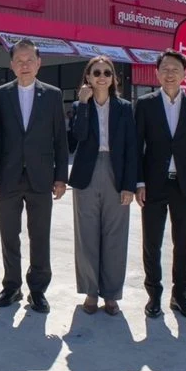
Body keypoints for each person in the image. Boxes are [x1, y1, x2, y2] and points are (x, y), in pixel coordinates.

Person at [0, 39, 68, 314]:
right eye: (19, 61)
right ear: (12, 65)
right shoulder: (0, 95)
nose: (24, 65)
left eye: (29, 60)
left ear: (38, 63)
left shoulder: (52, 95)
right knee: (9, 235)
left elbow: (60, 139)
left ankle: (38, 290)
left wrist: (61, 177)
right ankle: (12, 286)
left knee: (40, 235)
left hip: (41, 177)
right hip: (7, 176)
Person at [134, 49, 186, 320]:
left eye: (175, 69)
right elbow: (136, 146)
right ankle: (154, 295)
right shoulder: (145, 104)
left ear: (185, 74)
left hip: (185, 186)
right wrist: (138, 182)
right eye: (165, 69)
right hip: (153, 184)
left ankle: (180, 296)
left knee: (183, 242)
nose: (169, 74)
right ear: (156, 73)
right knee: (151, 243)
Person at [68, 56, 137, 316]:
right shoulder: (79, 105)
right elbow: (77, 137)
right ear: (87, 77)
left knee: (115, 235)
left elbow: (131, 147)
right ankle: (90, 291)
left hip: (115, 172)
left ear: (113, 78)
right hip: (86, 172)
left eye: (107, 73)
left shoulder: (124, 108)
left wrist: (129, 185)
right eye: (96, 72)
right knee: (86, 234)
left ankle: (111, 294)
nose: (101, 77)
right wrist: (84, 104)